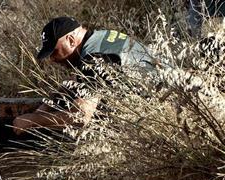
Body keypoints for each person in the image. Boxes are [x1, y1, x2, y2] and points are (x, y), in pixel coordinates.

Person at [12, 17, 156, 134]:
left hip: (157, 114)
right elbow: (76, 80)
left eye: (54, 52)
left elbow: (80, 117)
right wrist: (47, 106)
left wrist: (33, 121)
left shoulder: (94, 58)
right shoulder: (99, 38)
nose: (52, 59)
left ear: (71, 40)